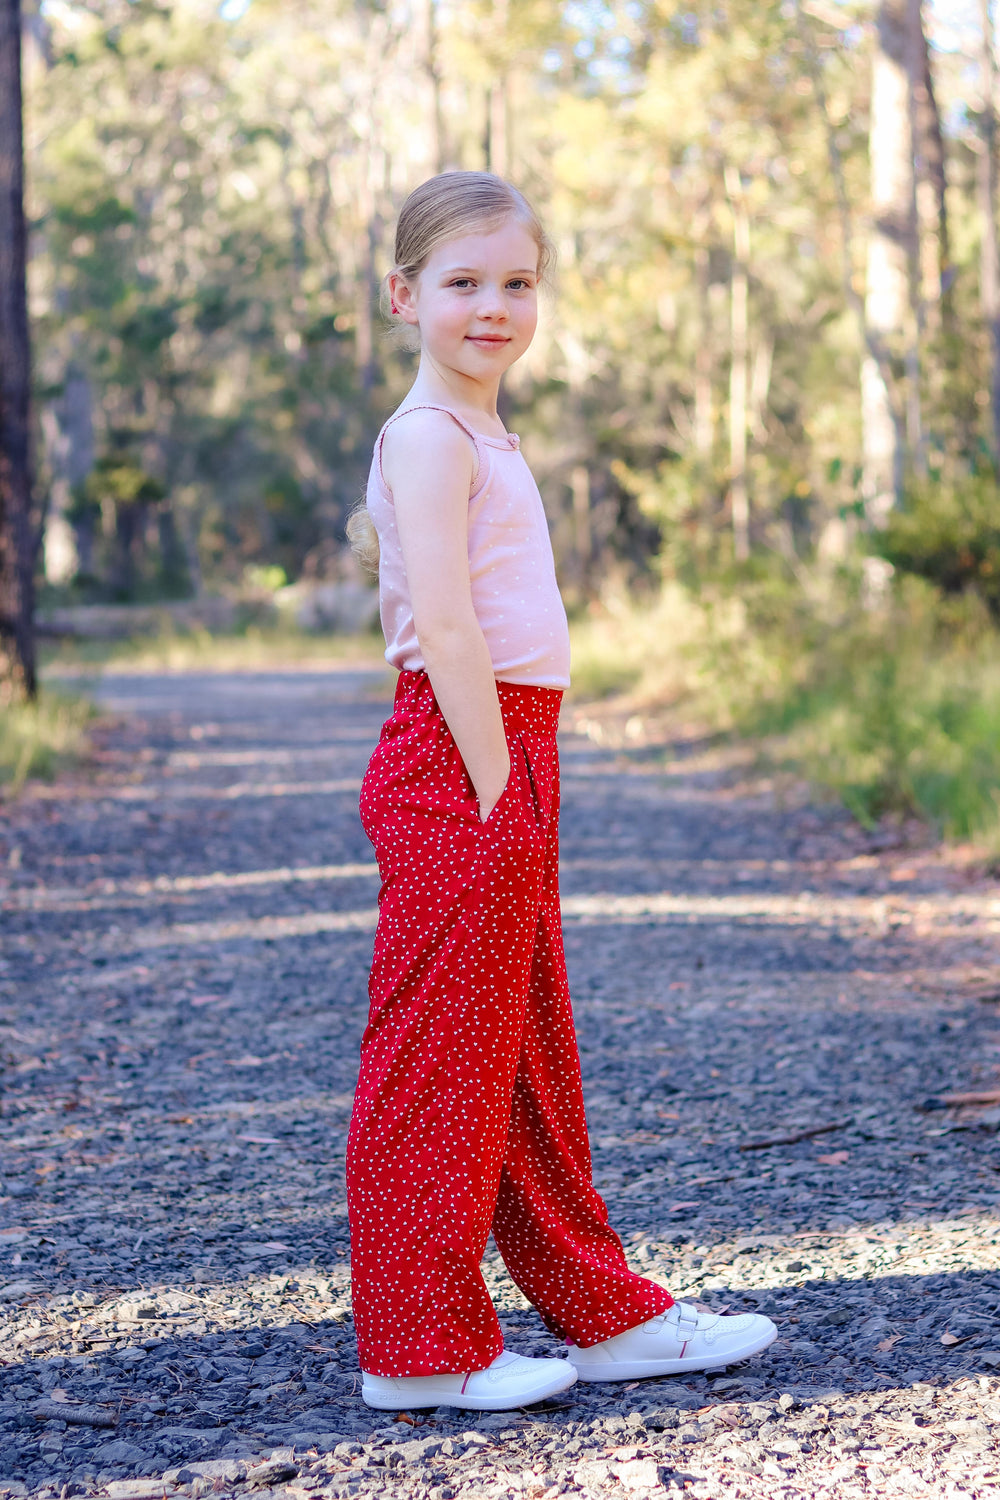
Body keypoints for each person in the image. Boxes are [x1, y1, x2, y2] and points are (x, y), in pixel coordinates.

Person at [345, 171, 777, 1413]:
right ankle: (419, 1351)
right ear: (403, 294)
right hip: (462, 756)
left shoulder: (483, 432)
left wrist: (520, 776)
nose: (494, 307)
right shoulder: (426, 436)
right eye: (463, 282)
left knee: (524, 1060)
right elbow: (448, 624)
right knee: (439, 1062)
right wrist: (495, 787)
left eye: (517, 282)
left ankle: (601, 1312)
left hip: (509, 751)